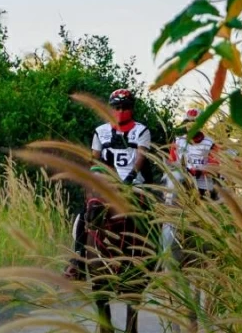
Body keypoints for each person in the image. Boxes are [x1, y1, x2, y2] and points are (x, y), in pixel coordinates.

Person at [67, 88, 152, 276]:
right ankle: (78, 258)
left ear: (132, 108)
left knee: (148, 214)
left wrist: (130, 178)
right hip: (106, 183)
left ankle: (151, 258)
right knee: (85, 214)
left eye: (125, 107)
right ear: (111, 108)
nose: (121, 111)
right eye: (117, 107)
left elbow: (141, 156)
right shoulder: (101, 131)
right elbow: (95, 159)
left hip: (132, 182)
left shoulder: (141, 130)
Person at [168, 107, 220, 198]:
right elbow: (171, 163)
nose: (190, 126)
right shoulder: (177, 141)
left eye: (194, 123)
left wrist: (201, 170)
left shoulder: (210, 143)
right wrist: (183, 170)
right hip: (182, 186)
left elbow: (217, 167)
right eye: (187, 123)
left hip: (204, 187)